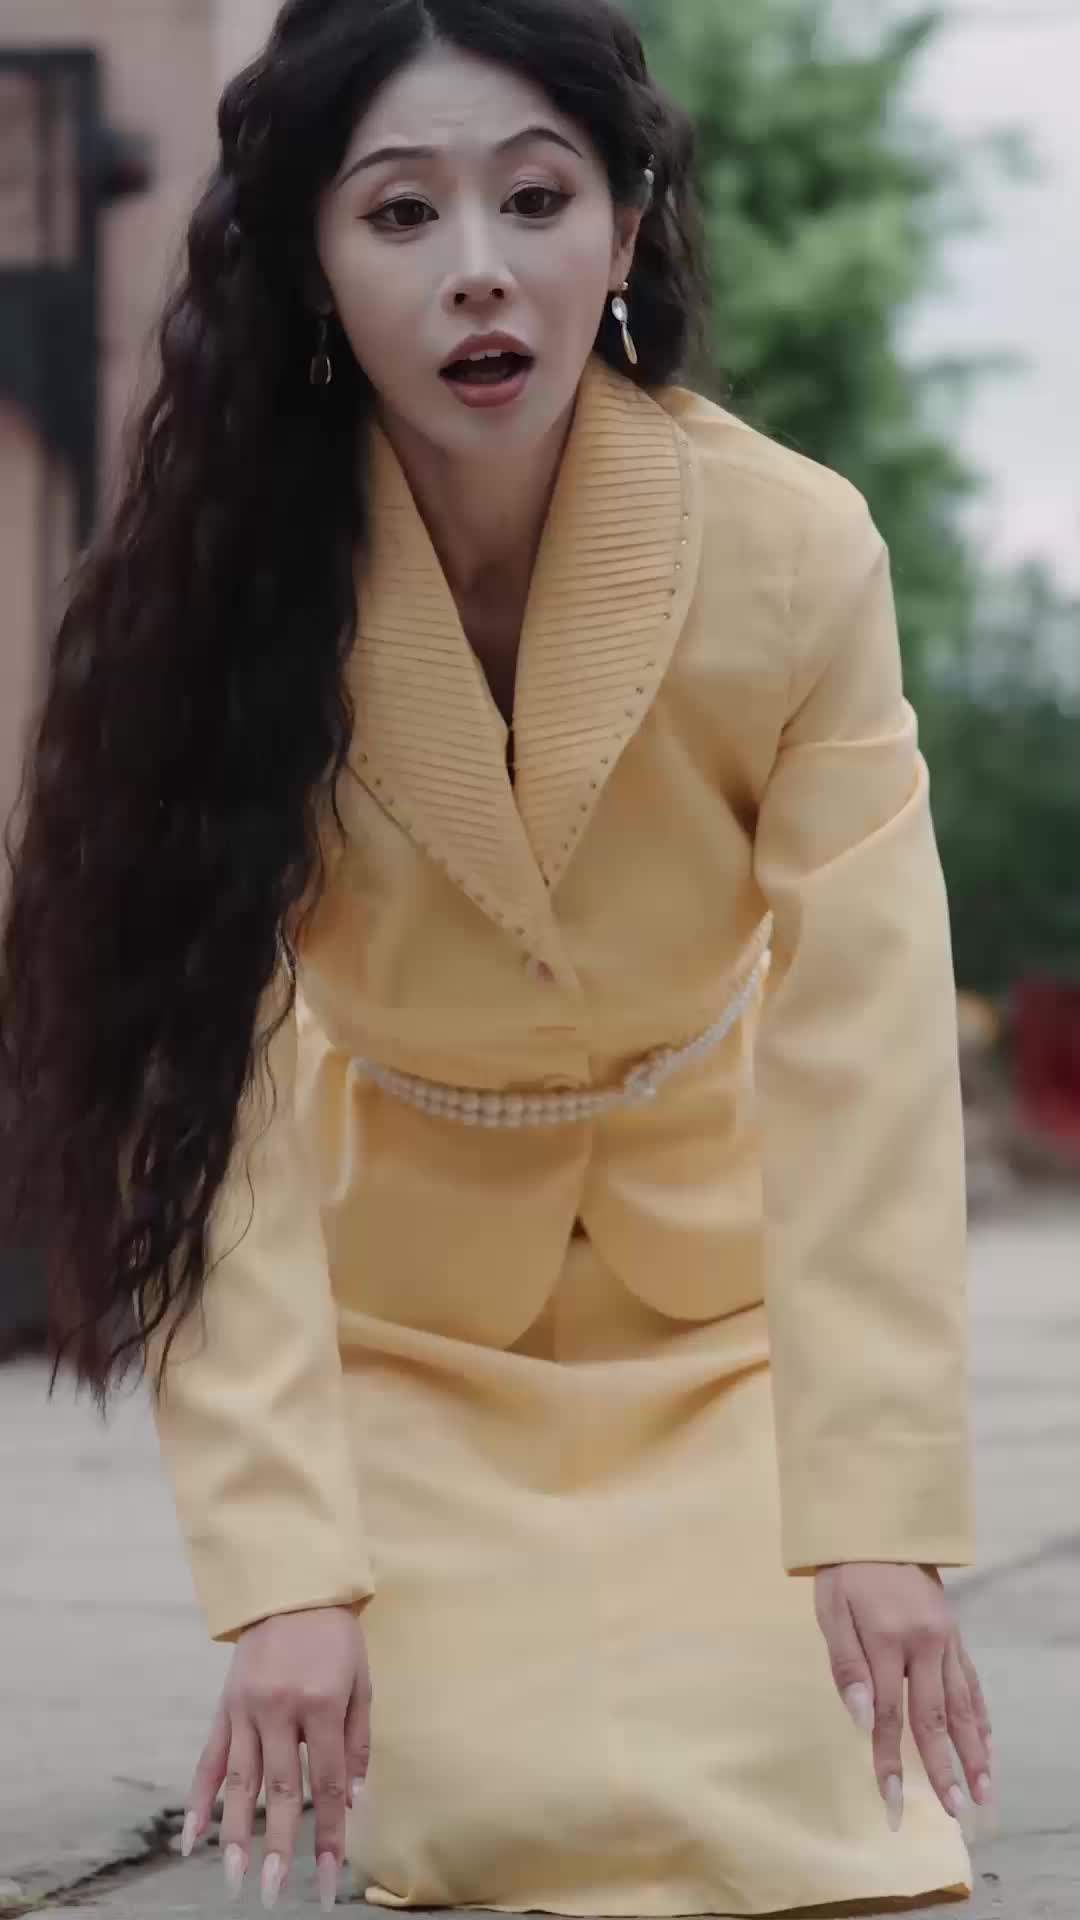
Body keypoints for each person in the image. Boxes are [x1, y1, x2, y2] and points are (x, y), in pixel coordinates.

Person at [0, 0, 993, 1913]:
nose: (477, 269)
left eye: (536, 198)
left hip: (728, 1334)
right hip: (405, 1337)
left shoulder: (798, 552)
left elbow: (865, 1054)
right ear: (310, 264)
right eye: (399, 214)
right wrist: (289, 1579)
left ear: (622, 231)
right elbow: (212, 1100)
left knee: (807, 1821)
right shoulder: (216, 593)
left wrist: (876, 1519)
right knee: (476, 1820)